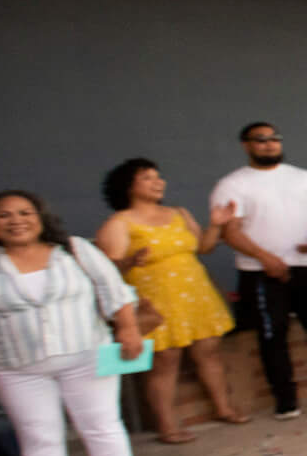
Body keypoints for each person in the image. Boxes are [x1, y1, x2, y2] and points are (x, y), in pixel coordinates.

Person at [0, 191, 150, 456]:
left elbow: (114, 291)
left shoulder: (74, 250)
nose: (16, 220)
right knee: (38, 435)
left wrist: (128, 328)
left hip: (86, 355)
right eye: (4, 215)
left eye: (25, 212)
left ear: (41, 217)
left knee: (102, 424)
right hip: (15, 366)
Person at [211, 122, 307, 419]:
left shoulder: (304, 178)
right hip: (260, 272)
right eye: (261, 140)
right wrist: (265, 258)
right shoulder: (233, 184)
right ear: (246, 145)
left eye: (274, 139)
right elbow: (229, 232)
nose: (270, 145)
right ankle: (285, 398)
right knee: (273, 333)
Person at [95, 159, 243, 439]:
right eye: (147, 178)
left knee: (208, 350)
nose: (157, 182)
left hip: (195, 293)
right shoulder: (120, 222)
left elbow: (203, 248)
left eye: (158, 177)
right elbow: (107, 270)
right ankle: (166, 425)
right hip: (155, 299)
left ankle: (223, 408)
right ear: (129, 186)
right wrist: (130, 261)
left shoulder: (179, 213)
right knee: (166, 359)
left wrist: (216, 226)